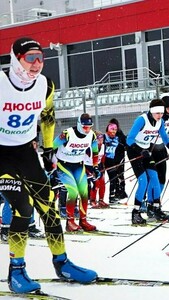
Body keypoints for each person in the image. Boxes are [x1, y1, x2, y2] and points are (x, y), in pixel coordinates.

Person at [0, 37, 97, 294]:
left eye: (40, 58)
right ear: (16, 59)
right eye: (30, 58)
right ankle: (16, 272)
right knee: (23, 207)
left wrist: (47, 148)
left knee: (49, 205)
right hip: (1, 155)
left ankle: (62, 263)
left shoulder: (45, 85)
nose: (36, 64)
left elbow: (47, 115)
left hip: (25, 152)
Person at [126, 99, 169, 225]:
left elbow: (164, 137)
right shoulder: (142, 120)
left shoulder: (160, 121)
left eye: (161, 113)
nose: (160, 116)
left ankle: (155, 208)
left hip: (146, 151)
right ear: (151, 111)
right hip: (134, 151)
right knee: (143, 181)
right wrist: (140, 150)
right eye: (157, 113)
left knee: (155, 178)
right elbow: (129, 139)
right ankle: (136, 213)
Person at [54, 113, 102, 231]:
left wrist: (95, 167)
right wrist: (51, 166)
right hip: (63, 165)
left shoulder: (91, 136)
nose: (87, 129)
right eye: (85, 127)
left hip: (79, 165)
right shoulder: (67, 134)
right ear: (79, 125)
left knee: (84, 192)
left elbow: (95, 152)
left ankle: (83, 220)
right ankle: (70, 222)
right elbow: (52, 146)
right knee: (73, 191)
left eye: (90, 127)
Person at [104, 118, 127, 203]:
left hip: (119, 158)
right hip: (109, 159)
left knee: (119, 176)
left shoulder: (119, 135)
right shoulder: (106, 136)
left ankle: (119, 192)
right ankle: (113, 194)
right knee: (113, 177)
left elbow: (125, 144)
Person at [86, 131, 108, 208]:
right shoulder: (89, 147)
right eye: (99, 138)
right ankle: (92, 200)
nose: (101, 140)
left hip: (98, 166)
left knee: (102, 182)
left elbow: (103, 158)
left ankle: (101, 200)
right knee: (96, 183)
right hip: (88, 166)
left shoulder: (103, 146)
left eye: (102, 138)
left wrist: (103, 167)